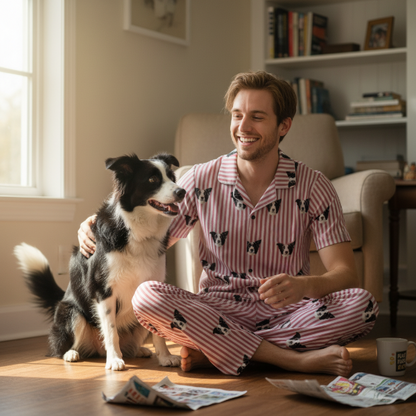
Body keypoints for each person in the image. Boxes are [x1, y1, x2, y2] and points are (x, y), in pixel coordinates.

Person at [78, 71, 378, 377]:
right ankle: (290, 359)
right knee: (148, 296)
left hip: (288, 314)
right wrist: (98, 225)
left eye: (257, 117)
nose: (243, 127)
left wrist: (305, 285)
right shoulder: (198, 180)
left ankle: (219, 352)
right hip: (214, 313)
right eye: (237, 115)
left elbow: (346, 274)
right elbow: (144, 238)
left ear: (283, 125)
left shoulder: (314, 186)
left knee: (363, 305)